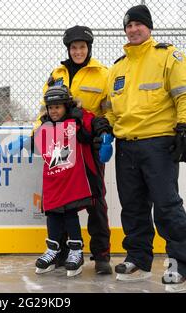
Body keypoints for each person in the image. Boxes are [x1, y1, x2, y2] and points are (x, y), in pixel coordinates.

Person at [103, 4, 186, 292]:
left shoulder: (169, 56)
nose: (133, 30)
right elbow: (110, 109)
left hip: (159, 144)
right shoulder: (117, 67)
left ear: (149, 27)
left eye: (138, 25)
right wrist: (104, 127)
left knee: (167, 206)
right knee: (132, 208)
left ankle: (180, 266)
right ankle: (138, 260)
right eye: (128, 26)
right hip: (126, 146)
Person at [33, 25, 113, 275]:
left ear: (89, 48)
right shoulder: (56, 73)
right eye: (74, 47)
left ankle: (101, 255)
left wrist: (104, 134)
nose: (78, 51)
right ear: (68, 49)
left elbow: (110, 110)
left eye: (82, 47)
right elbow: (43, 111)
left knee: (95, 199)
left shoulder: (103, 74)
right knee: (61, 200)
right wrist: (37, 133)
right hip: (60, 147)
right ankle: (64, 252)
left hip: (87, 144)